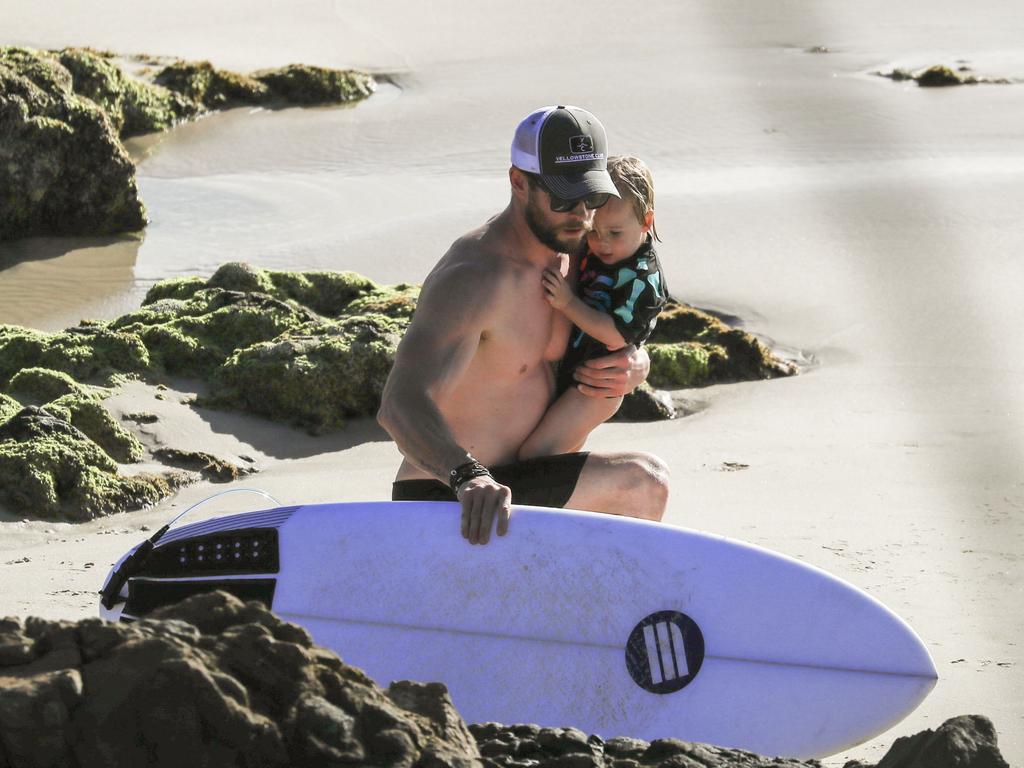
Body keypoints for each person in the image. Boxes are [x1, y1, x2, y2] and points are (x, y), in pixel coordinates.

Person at [377, 105, 670, 546]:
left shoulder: (578, 256)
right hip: (448, 496)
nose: (581, 215)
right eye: (562, 197)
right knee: (641, 482)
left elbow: (617, 326)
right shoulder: (477, 277)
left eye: (590, 197)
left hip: (527, 482)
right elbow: (399, 403)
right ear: (519, 183)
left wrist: (637, 361)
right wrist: (467, 476)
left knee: (648, 481)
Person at [518, 155, 666, 460]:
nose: (602, 244)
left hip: (598, 384)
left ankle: (563, 499)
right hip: (577, 370)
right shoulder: (598, 249)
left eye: (615, 233)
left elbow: (616, 336)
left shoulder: (642, 278)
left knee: (538, 454)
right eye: (593, 231)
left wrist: (568, 304)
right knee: (556, 449)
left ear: (646, 222)